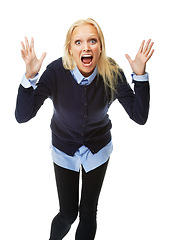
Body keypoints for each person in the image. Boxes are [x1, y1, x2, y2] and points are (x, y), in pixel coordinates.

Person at [15, 18, 154, 240]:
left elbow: (140, 116)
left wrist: (140, 77)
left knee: (88, 213)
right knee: (68, 214)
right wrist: (29, 77)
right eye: (78, 42)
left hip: (98, 149)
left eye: (92, 41)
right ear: (70, 48)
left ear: (100, 46)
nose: (86, 47)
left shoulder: (112, 72)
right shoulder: (55, 72)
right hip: (64, 149)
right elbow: (23, 116)